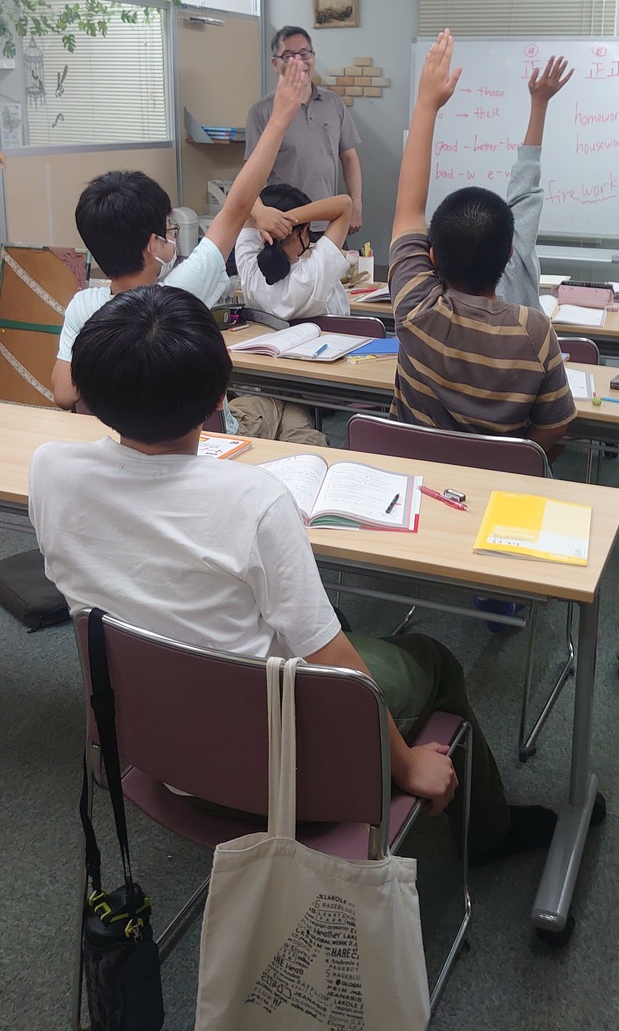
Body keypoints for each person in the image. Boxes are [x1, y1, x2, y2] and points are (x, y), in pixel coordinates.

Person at [29, 284, 558, 864]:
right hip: (277, 775)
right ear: (219, 395)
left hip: (147, 748)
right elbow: (333, 661)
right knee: (431, 659)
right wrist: (408, 765)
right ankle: (488, 833)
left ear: (88, 390)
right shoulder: (254, 501)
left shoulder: (50, 470)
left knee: (319, 621)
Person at [51, 57, 308, 411]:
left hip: (125, 432)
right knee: (282, 410)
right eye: (168, 229)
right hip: (191, 434)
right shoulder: (177, 295)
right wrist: (279, 121)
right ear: (152, 245)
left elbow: (64, 394)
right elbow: (237, 207)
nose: (171, 235)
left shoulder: (83, 307)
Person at [388, 31, 576, 453]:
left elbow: (407, 210)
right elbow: (554, 428)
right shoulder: (535, 331)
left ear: (432, 257)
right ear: (510, 253)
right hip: (498, 484)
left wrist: (426, 104)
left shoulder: (416, 310)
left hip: (415, 478)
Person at [245, 26, 364, 234]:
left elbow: (349, 158)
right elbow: (252, 175)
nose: (298, 61)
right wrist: (261, 214)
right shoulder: (262, 112)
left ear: (313, 57)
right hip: (286, 226)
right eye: (288, 56)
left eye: (304, 53)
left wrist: (356, 205)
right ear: (275, 64)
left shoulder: (334, 103)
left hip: (330, 223)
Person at [496, 54, 574, 309]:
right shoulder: (513, 277)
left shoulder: (433, 306)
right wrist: (539, 104)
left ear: (434, 257)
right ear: (510, 250)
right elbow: (524, 191)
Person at [235, 186, 352, 322]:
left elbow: (244, 194)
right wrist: (283, 221)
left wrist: (263, 215)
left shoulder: (250, 270)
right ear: (303, 231)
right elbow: (345, 204)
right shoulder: (311, 276)